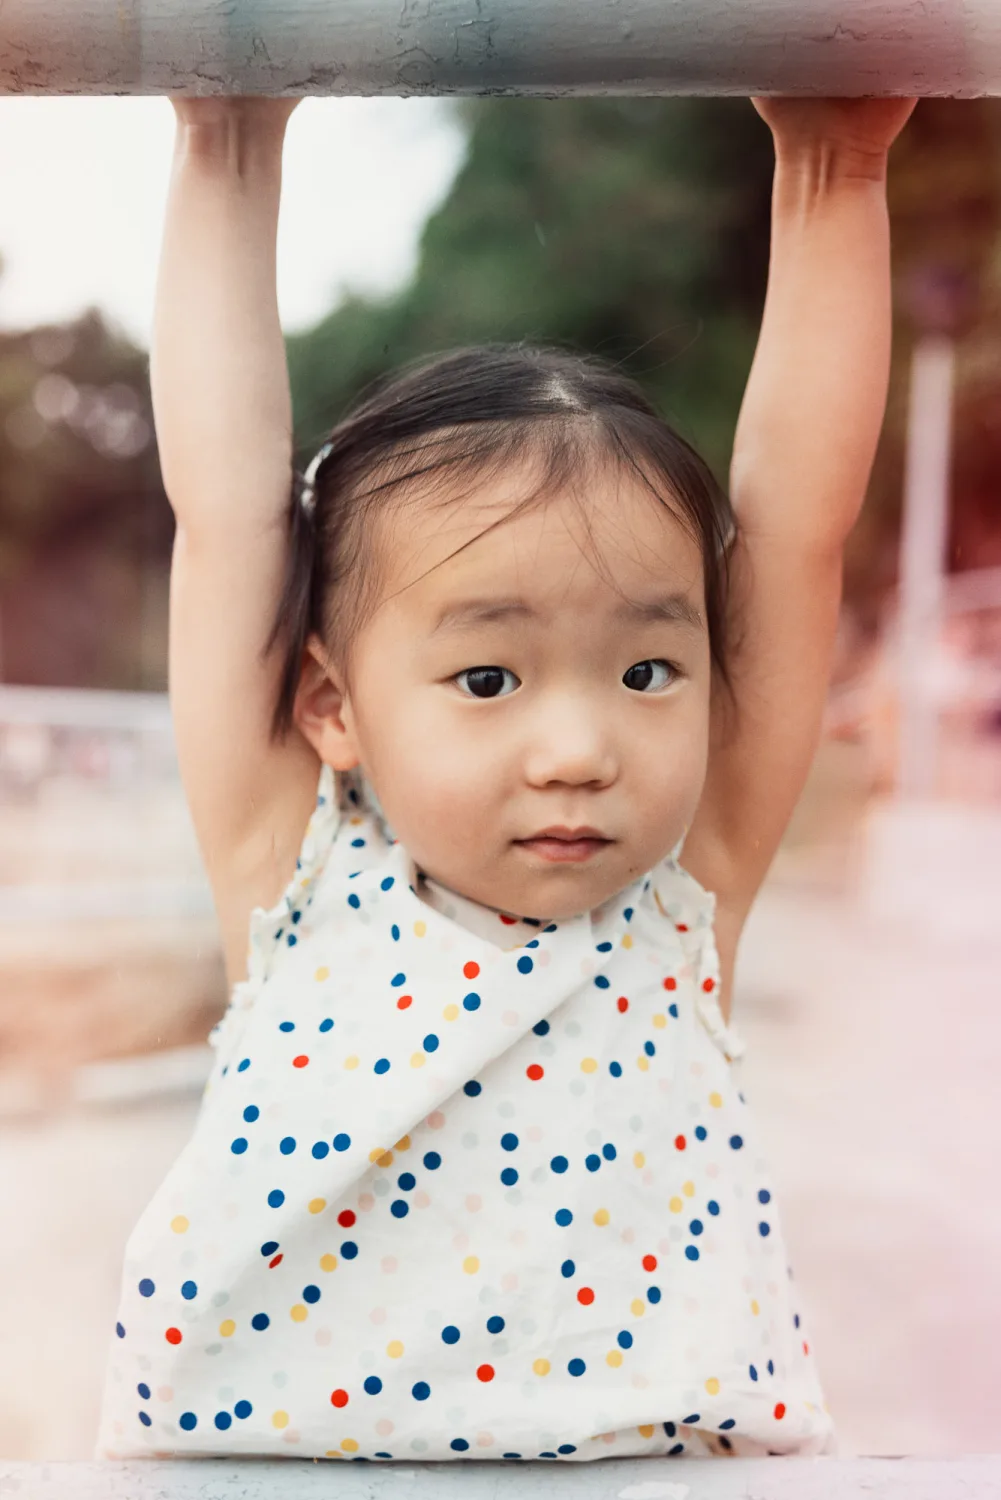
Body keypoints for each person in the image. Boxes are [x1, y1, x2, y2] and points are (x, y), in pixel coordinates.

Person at [96, 90, 916, 1463]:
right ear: (330, 706)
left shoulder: (682, 901)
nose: (582, 750)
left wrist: (834, 165)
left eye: (650, 673)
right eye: (489, 680)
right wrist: (228, 139)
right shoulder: (293, 885)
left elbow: (795, 528)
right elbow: (226, 504)